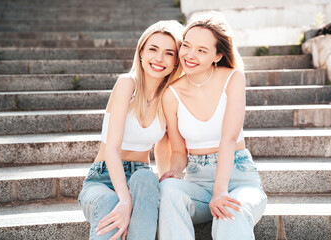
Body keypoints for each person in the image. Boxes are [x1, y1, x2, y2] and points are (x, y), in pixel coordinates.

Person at [158, 12, 267, 240]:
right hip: (196, 181)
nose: (190, 55)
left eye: (202, 50)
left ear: (217, 55)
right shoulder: (171, 94)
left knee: (230, 212)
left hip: (237, 178)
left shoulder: (233, 78)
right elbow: (179, 151)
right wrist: (174, 172)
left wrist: (220, 192)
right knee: (168, 190)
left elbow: (228, 138)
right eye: (186, 46)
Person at [78, 20, 183, 240]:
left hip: (141, 180)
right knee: (110, 202)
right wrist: (125, 201)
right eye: (153, 49)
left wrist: (166, 186)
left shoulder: (169, 98)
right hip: (104, 177)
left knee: (145, 177)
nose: (159, 58)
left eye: (168, 53)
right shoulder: (127, 84)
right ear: (141, 52)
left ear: (175, 62)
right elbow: (112, 149)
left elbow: (164, 149)